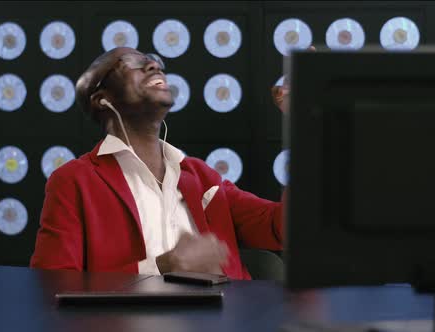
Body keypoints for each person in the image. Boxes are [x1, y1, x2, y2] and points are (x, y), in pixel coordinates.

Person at [30, 47, 284, 280]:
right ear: (101, 99)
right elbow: (53, 286)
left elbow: (282, 227)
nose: (153, 65)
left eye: (154, 61)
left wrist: (307, 118)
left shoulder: (201, 176)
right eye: (130, 62)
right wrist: (164, 265)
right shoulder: (73, 181)